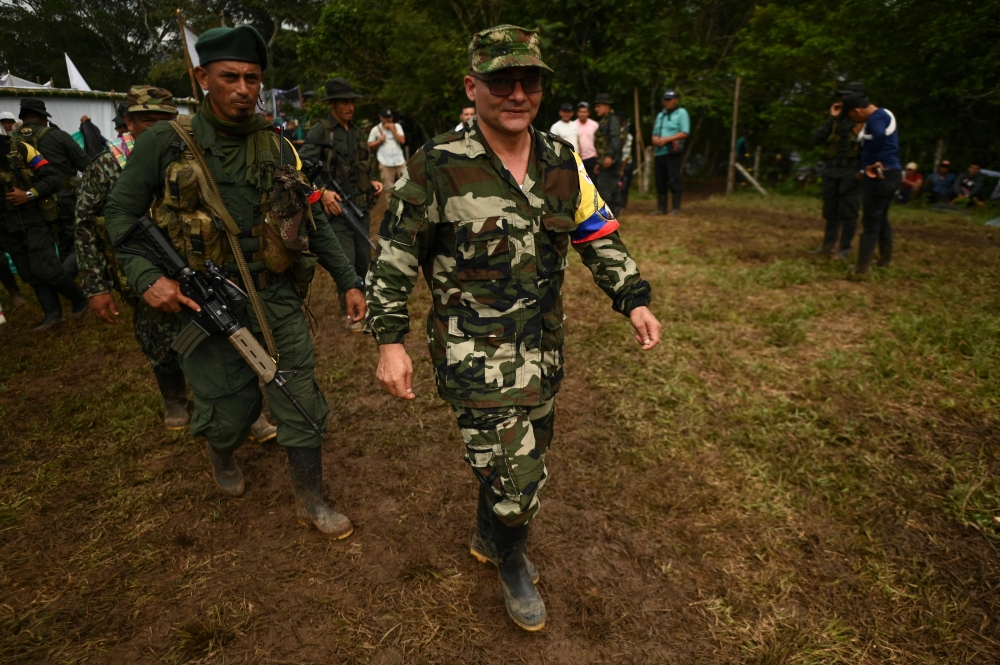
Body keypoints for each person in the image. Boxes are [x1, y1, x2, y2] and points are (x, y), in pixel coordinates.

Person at [365, 24, 661, 632]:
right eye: (502, 81)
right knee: (520, 478)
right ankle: (512, 560)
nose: (517, 93)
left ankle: (486, 531)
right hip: (474, 357)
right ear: (473, 86)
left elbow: (596, 234)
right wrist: (389, 342)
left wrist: (632, 297)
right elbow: (394, 258)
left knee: (524, 453)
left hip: (544, 349)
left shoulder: (560, 161)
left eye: (529, 81)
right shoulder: (437, 166)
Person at [103, 25, 366, 537]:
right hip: (203, 303)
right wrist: (146, 278)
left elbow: (311, 221)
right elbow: (120, 217)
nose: (243, 89)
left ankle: (310, 498)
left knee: (299, 396)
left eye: (252, 78)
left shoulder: (276, 144)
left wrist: (348, 281)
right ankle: (223, 454)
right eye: (230, 77)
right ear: (203, 77)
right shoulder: (164, 142)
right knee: (230, 408)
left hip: (275, 295)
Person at [74, 85, 278, 438]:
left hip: (201, 271)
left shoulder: (192, 157)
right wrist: (96, 287)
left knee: (227, 339)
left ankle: (244, 410)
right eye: (145, 119)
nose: (155, 127)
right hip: (144, 275)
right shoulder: (107, 166)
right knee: (160, 344)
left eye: (163, 119)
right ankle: (174, 398)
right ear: (127, 121)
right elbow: (87, 227)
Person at [300, 78, 383, 331]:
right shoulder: (321, 131)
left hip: (360, 208)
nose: (350, 107)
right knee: (345, 261)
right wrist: (322, 192)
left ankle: (364, 304)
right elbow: (301, 169)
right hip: (335, 211)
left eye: (352, 102)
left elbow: (361, 166)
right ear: (333, 104)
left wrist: (372, 182)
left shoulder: (357, 133)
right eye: (345, 102)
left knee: (362, 259)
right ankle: (350, 313)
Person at [1, 123, 88, 330]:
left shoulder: (20, 149)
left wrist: (28, 194)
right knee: (29, 273)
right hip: (6, 226)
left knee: (49, 270)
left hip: (32, 220)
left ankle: (80, 299)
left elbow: (53, 178)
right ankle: (52, 314)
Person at [13, 99, 92, 267]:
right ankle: (67, 278)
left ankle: (57, 275)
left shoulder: (10, 140)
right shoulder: (58, 135)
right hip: (62, 198)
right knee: (75, 242)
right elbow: (87, 165)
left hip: (26, 202)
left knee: (45, 246)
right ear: (43, 117)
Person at [843, 92, 901, 273]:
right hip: (893, 173)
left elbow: (879, 137)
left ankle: (862, 267)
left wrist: (870, 164)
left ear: (858, 111)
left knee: (870, 222)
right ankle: (885, 259)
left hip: (880, 175)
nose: (852, 120)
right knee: (881, 218)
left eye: (851, 116)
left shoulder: (876, 118)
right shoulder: (884, 114)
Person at [809, 82, 864, 258]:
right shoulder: (835, 121)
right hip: (832, 171)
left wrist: (861, 173)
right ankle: (828, 245)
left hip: (852, 172)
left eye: (847, 96)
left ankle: (844, 249)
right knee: (831, 211)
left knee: (849, 212)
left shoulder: (865, 121)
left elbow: (873, 149)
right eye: (842, 96)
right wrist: (832, 118)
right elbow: (816, 139)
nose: (843, 99)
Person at [651, 90, 689, 215]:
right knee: (660, 180)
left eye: (669, 100)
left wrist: (666, 140)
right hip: (659, 152)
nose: (667, 102)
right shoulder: (660, 115)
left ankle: (675, 207)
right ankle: (661, 207)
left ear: (676, 100)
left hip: (672, 151)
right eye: (665, 100)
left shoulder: (681, 113)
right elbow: (655, 131)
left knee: (674, 179)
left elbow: (684, 132)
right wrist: (655, 139)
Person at [592, 93, 623, 216]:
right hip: (605, 159)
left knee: (604, 188)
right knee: (613, 187)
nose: (596, 109)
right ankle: (615, 212)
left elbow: (615, 140)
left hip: (611, 160)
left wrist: (609, 156)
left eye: (599, 106)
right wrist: (600, 161)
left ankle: (607, 215)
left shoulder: (612, 120)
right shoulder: (604, 121)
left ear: (607, 107)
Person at [368, 108, 407, 205]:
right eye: (386, 117)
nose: (389, 120)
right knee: (390, 190)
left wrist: (392, 129)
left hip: (399, 161)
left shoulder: (397, 126)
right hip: (385, 163)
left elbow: (402, 141)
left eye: (390, 117)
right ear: (381, 118)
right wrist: (379, 141)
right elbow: (368, 145)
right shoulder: (376, 129)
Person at [575, 101, 599, 176]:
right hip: (578, 158)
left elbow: (598, 140)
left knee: (592, 182)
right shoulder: (573, 125)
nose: (582, 114)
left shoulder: (594, 125)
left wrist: (598, 153)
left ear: (588, 113)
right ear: (577, 113)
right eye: (581, 111)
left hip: (592, 157)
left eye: (585, 112)